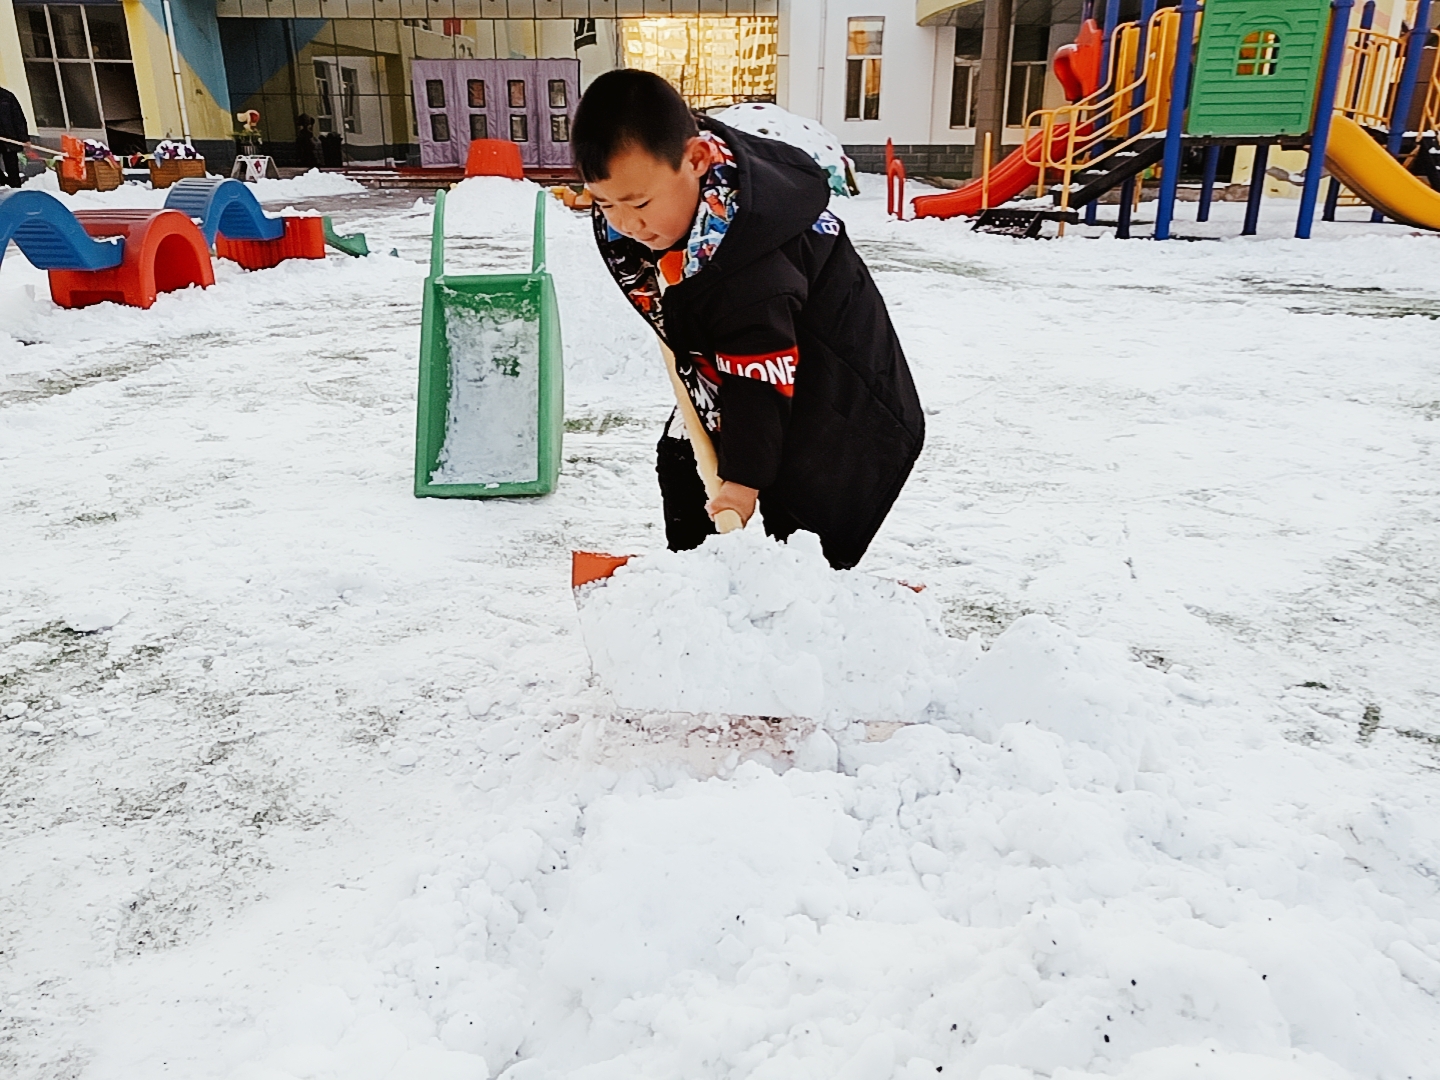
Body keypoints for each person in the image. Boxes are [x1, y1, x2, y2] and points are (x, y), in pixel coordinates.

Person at [572, 70, 924, 571]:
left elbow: (759, 376)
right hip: (760, 359)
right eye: (605, 203)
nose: (625, 224)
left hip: (845, 406)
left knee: (798, 534)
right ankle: (699, 583)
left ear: (696, 160)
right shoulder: (683, 188)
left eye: (638, 203)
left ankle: (794, 613)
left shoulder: (749, 265)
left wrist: (740, 485)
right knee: (682, 462)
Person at [0, 83, 32, 189]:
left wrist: (24, 139)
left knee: (12, 168)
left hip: (10, 139)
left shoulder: (7, 97)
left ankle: (15, 188)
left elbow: (18, 119)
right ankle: (3, 182)